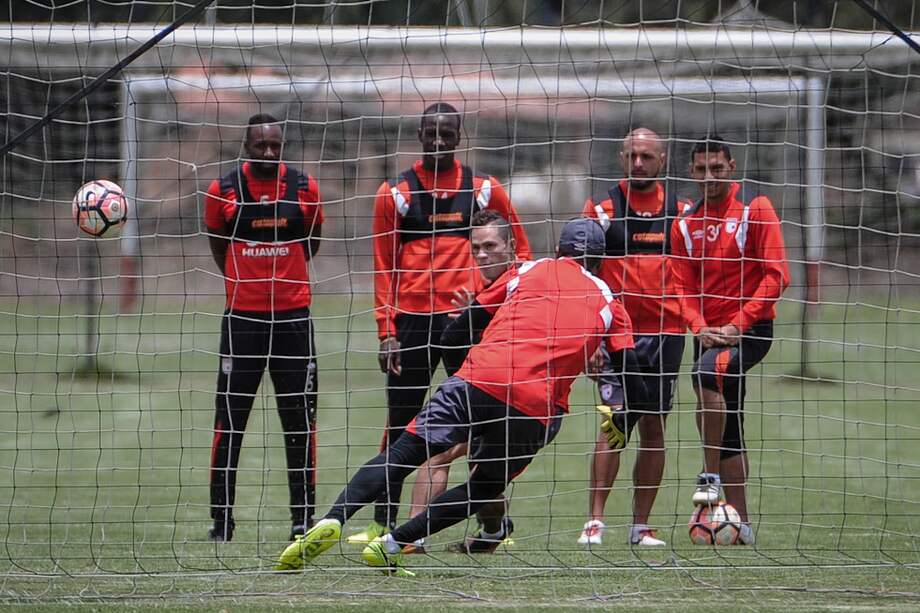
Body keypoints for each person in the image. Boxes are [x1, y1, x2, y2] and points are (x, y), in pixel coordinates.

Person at [276, 218, 644, 576]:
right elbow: (637, 385)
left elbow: (455, 334)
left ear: (559, 249)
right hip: (535, 408)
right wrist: (622, 421)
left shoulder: (528, 270)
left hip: (476, 380)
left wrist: (473, 368)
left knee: (403, 454)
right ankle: (392, 544)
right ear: (600, 259)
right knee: (482, 487)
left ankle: (332, 519)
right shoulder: (613, 305)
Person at [352, 102, 532, 544]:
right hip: (411, 325)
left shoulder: (484, 191)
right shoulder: (395, 194)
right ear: (419, 133)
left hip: (468, 325)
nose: (438, 140)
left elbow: (520, 255)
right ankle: (383, 521)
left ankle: (493, 523)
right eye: (431, 133)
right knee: (402, 424)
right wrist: (386, 330)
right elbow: (383, 267)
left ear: (458, 136)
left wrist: (490, 303)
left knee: (481, 424)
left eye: (446, 133)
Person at [204, 113, 324, 542]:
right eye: (261, 146)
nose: (269, 153)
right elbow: (218, 245)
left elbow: (312, 242)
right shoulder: (223, 190)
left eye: (276, 146)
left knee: (299, 422)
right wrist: (246, 279)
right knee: (230, 422)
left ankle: (302, 517)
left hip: (294, 320)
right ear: (248, 146)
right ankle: (222, 519)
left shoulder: (306, 188)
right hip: (242, 322)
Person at [670, 136, 790, 545]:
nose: (709, 177)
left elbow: (777, 276)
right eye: (701, 169)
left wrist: (738, 324)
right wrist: (696, 324)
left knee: (706, 378)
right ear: (691, 171)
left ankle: (709, 475)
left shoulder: (756, 208)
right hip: (707, 332)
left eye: (716, 168)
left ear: (731, 167)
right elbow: (680, 284)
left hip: (749, 331)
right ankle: (742, 522)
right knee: (730, 424)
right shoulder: (684, 223)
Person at [577, 128, 687, 547]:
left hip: (666, 334)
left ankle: (642, 526)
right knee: (613, 424)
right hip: (617, 336)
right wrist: (590, 338)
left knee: (654, 427)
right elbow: (583, 275)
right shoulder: (602, 209)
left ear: (662, 160)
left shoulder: (681, 211)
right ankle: (595, 522)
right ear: (621, 157)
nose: (638, 163)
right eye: (632, 155)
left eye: (647, 156)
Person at [403, 209, 520, 555]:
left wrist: (478, 320)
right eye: (476, 247)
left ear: (511, 247)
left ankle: (489, 527)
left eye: (490, 246)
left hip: (515, 399)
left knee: (477, 474)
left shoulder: (524, 283)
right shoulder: (477, 291)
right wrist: (467, 323)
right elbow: (459, 352)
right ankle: (415, 538)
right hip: (477, 392)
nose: (482, 254)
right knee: (444, 455)